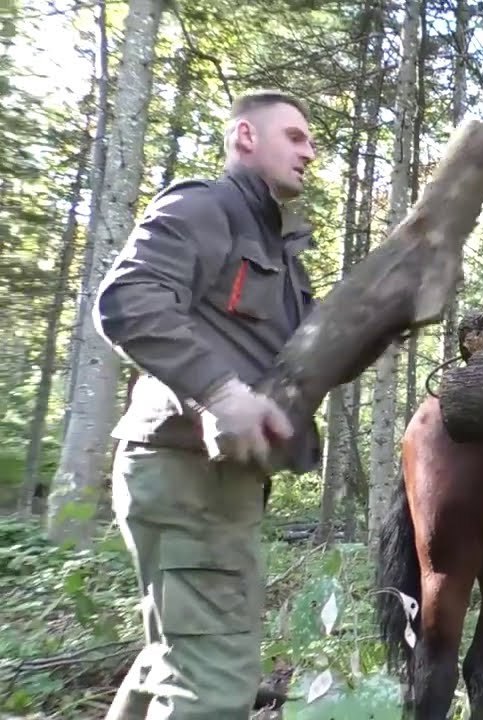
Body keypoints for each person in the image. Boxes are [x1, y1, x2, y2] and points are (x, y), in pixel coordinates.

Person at [96, 88, 322, 719]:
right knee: (212, 683)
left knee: (172, 657)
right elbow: (128, 299)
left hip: (208, 482)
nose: (309, 152)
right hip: (186, 470)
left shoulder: (280, 250)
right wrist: (220, 393)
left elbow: (299, 348)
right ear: (246, 136)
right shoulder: (209, 205)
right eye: (295, 136)